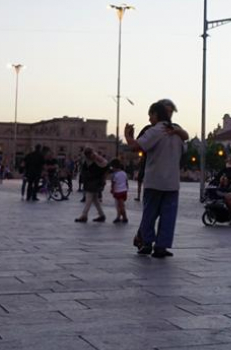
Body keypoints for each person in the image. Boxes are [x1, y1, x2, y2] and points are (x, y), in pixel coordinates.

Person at [124, 99, 188, 258]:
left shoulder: (155, 130)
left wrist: (127, 135)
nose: (149, 119)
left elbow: (136, 146)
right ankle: (161, 246)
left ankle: (146, 243)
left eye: (150, 115)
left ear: (156, 114)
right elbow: (184, 147)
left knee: (149, 214)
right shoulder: (178, 131)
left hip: (155, 180)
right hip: (172, 182)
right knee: (168, 216)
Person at [74, 148, 109, 223]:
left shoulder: (95, 160)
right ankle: (101, 215)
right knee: (95, 200)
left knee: (89, 198)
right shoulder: (90, 160)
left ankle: (84, 215)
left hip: (94, 181)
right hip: (92, 181)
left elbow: (105, 166)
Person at [108, 159, 130, 223]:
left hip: (118, 191)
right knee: (121, 204)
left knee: (120, 205)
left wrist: (112, 189)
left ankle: (124, 217)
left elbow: (113, 183)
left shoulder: (115, 175)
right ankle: (119, 216)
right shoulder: (124, 173)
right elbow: (126, 182)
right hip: (124, 191)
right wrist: (127, 188)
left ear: (114, 167)